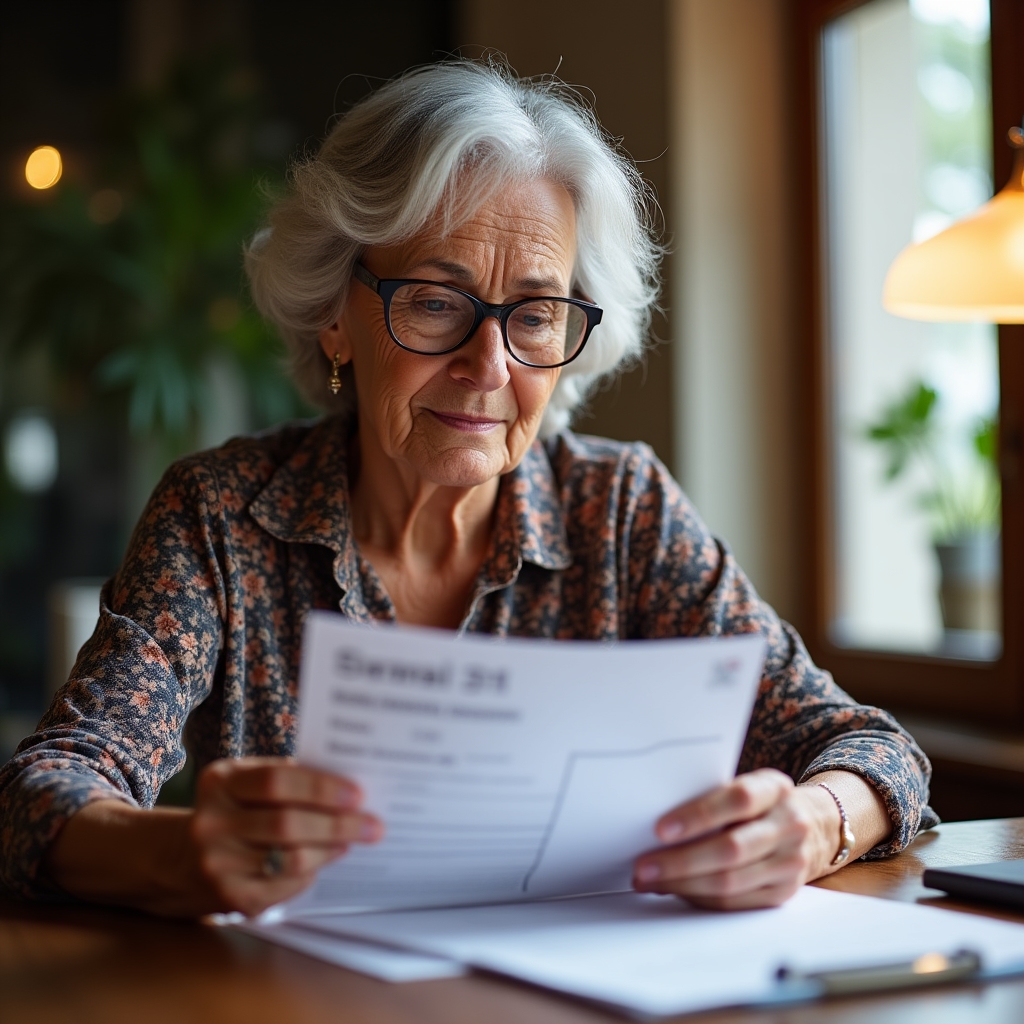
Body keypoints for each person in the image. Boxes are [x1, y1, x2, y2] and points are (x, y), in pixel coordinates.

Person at [0, 61, 935, 917]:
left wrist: (812, 825)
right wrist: (178, 853)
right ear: (334, 316)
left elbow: (870, 748)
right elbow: (46, 790)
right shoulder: (221, 516)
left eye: (535, 314)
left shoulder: (621, 513)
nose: (489, 365)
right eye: (436, 303)